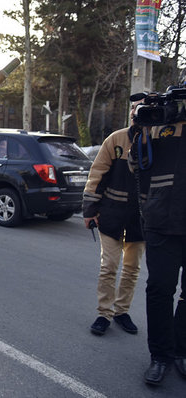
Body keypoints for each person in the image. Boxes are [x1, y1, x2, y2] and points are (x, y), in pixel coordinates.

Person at [129, 84, 186, 385]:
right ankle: (160, 356)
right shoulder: (160, 119)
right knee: (160, 290)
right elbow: (135, 163)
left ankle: (181, 350)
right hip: (162, 220)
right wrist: (138, 126)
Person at [84, 102, 145, 337]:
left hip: (140, 220)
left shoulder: (157, 141)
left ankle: (122, 311)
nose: (135, 112)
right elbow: (96, 175)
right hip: (111, 216)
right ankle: (104, 314)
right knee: (108, 267)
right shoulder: (116, 139)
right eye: (132, 108)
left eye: (141, 107)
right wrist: (90, 210)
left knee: (131, 269)